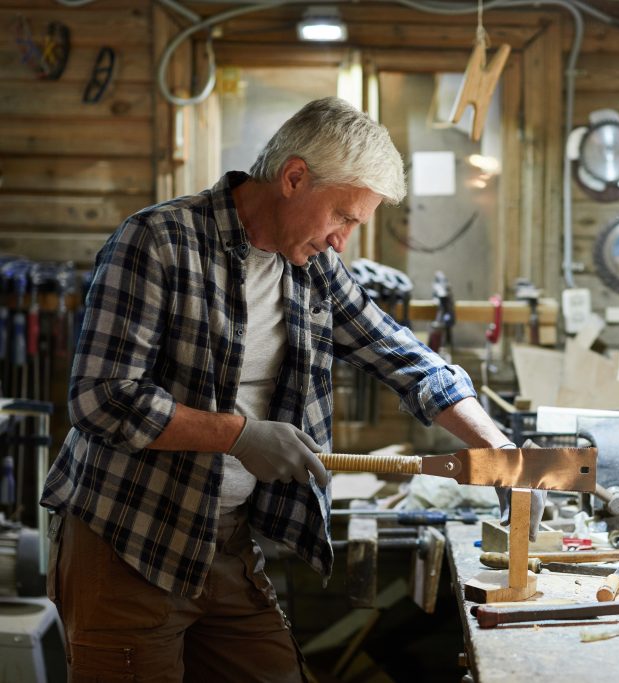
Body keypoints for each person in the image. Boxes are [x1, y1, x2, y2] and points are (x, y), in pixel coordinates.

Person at [40, 96, 524, 682]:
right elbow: (103, 397)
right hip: (127, 539)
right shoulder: (159, 241)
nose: (343, 240)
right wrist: (239, 435)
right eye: (343, 217)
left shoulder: (311, 268)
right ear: (294, 177)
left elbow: (404, 358)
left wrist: (503, 455)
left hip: (223, 540)